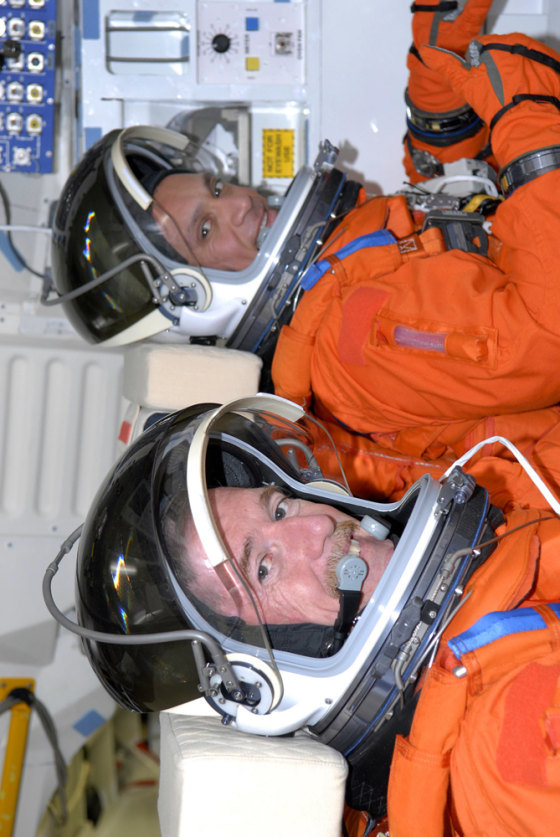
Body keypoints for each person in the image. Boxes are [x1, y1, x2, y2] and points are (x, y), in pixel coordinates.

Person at [49, 3, 560, 516]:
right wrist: (528, 117)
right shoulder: (354, 337)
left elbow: (457, 200)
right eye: (206, 229)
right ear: (199, 301)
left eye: (218, 186)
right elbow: (544, 338)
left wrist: (439, 62)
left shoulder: (344, 270)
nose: (242, 202)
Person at [64, 393, 560, 837]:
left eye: (280, 510)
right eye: (263, 568)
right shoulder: (511, 738)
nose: (320, 523)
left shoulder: (503, 544)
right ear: (278, 654)